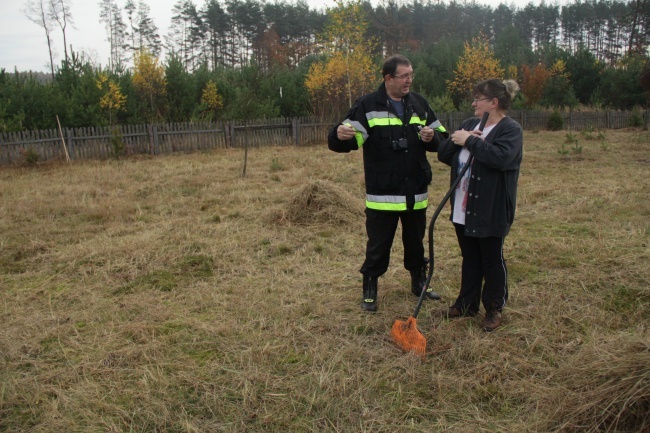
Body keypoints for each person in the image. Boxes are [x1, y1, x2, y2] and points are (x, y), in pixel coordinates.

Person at [328, 54, 449, 312]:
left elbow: (442, 139)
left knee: (416, 244)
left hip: (415, 194)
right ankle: (370, 289)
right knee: (377, 247)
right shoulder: (368, 105)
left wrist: (432, 138)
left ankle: (419, 283)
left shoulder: (419, 104)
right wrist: (338, 134)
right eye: (404, 76)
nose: (409, 81)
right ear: (388, 78)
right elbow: (346, 140)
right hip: (382, 196)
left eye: (411, 75)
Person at [437, 78, 523, 332]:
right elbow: (443, 155)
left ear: (493, 103)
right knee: (470, 257)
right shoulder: (469, 125)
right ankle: (466, 304)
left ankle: (494, 307)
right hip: (463, 207)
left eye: (478, 98)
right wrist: (459, 139)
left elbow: (500, 158)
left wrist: (472, 142)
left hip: (492, 208)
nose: (473, 103)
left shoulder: (510, 130)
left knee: (491, 259)